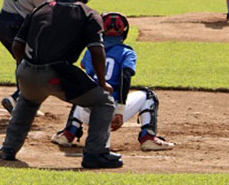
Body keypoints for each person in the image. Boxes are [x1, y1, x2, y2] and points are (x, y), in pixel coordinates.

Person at [0, 0, 123, 169]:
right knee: (103, 102)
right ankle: (96, 154)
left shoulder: (40, 8)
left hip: (27, 73)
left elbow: (17, 45)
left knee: (28, 101)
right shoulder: (88, 13)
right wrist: (102, 82)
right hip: (58, 73)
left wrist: (23, 66)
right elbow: (97, 50)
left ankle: (8, 149)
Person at [51, 12, 174, 151]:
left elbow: (84, 69)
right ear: (124, 31)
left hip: (87, 112)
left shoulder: (91, 50)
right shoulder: (127, 52)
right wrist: (120, 111)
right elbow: (125, 77)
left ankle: (68, 133)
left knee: (84, 89)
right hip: (111, 113)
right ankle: (148, 138)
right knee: (149, 95)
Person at [0, 0, 63, 113]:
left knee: (23, 63)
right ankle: (16, 98)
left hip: (2, 23)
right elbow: (43, 11)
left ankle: (21, 101)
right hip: (17, 27)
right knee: (33, 65)